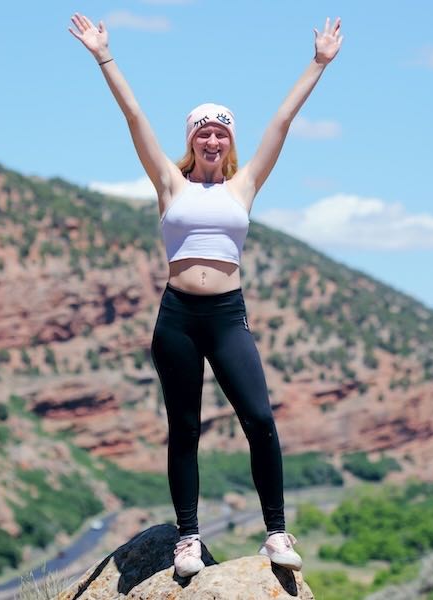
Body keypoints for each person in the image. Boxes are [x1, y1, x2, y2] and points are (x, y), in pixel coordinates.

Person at [68, 11, 343, 579]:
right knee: (185, 429)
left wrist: (318, 63)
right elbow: (134, 115)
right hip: (177, 318)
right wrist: (103, 56)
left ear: (229, 141)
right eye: (202, 131)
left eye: (221, 131)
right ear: (191, 139)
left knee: (260, 418)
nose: (212, 138)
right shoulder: (170, 182)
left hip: (226, 316)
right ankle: (187, 539)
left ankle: (275, 532)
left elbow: (283, 121)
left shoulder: (245, 185)